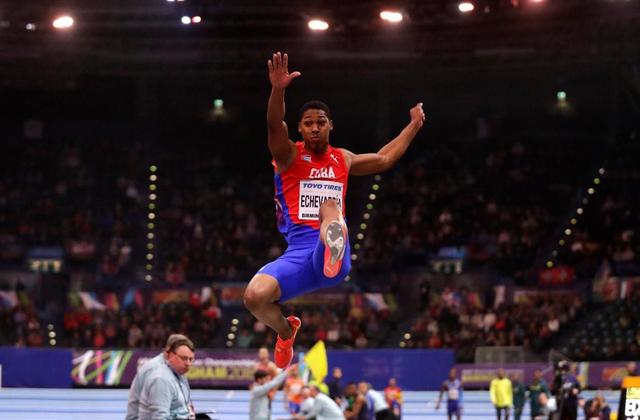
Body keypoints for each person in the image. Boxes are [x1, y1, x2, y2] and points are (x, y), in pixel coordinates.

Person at [243, 51, 426, 368]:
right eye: (308, 124)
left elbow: (383, 159)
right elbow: (274, 123)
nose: (315, 128)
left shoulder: (343, 158)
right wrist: (278, 89)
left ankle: (333, 249)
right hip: (299, 254)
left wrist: (412, 126)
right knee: (254, 297)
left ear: (331, 126)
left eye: (321, 123)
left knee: (329, 207)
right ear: (299, 128)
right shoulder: (288, 156)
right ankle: (287, 332)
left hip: (333, 250)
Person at [135, 334, 197, 420]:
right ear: (171, 356)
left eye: (191, 359)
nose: (188, 363)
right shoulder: (161, 380)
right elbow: (160, 417)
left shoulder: (180, 376)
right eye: (184, 358)